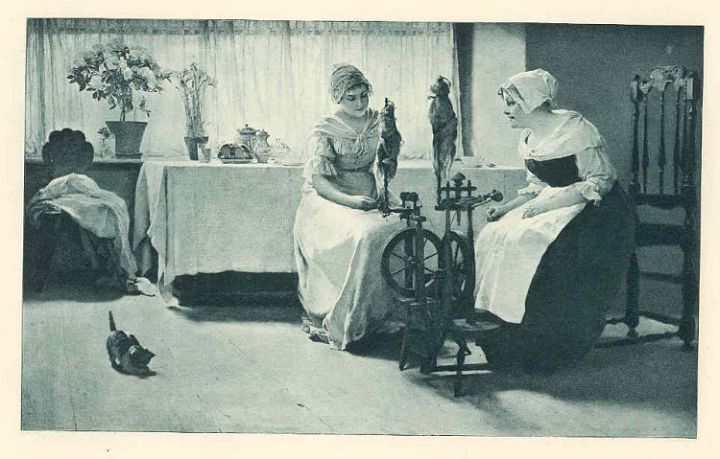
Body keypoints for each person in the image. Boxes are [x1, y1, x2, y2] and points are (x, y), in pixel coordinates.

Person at [473, 69, 635, 373]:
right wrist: (507, 208)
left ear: (532, 102)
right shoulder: (529, 137)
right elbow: (537, 187)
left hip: (598, 211)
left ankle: (548, 347)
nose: (506, 111)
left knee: (533, 242)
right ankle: (502, 333)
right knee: (494, 233)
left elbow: (601, 181)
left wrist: (552, 203)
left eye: (511, 103)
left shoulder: (575, 129)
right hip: (553, 205)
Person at [293, 64, 405, 350]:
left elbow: (383, 163)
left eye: (363, 96)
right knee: (363, 232)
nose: (359, 103)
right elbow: (320, 183)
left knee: (403, 224)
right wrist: (351, 202)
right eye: (351, 98)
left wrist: (384, 179)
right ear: (337, 98)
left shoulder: (379, 121)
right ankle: (349, 316)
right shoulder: (325, 129)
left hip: (368, 187)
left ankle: (383, 313)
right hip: (329, 196)